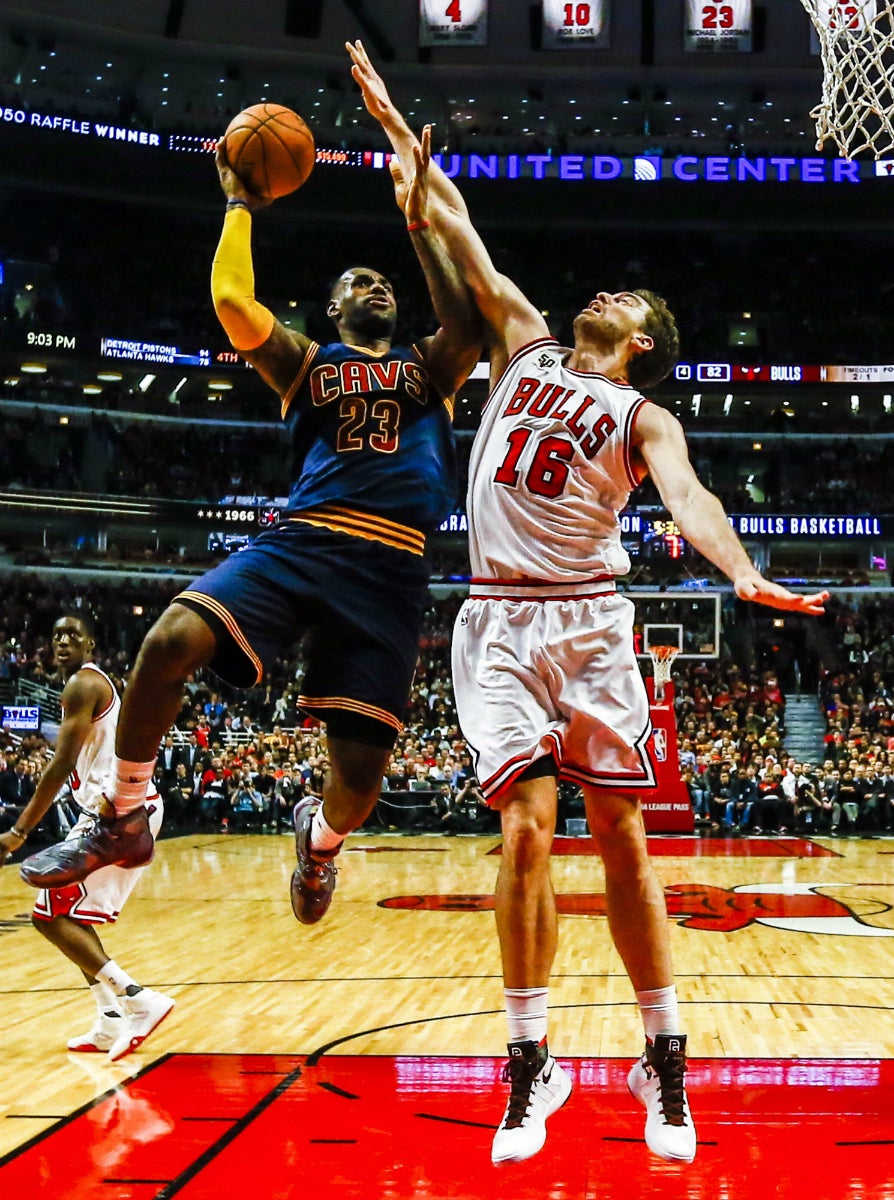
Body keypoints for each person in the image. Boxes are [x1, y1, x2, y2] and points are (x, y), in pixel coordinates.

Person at [348, 39, 829, 1169]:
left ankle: (664, 1058)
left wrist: (740, 571)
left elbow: (693, 499)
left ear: (641, 342)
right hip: (497, 618)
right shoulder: (525, 343)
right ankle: (533, 1063)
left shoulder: (641, 416)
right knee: (523, 827)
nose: (598, 293)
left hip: (590, 620)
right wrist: (393, 133)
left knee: (619, 835)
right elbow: (454, 223)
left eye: (622, 299)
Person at [18, 112, 480, 933]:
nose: (374, 287)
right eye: (357, 281)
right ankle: (124, 815)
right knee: (165, 642)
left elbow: (468, 325)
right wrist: (239, 202)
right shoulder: (307, 361)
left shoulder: (429, 367)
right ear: (331, 308)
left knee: (363, 783)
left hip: (389, 570)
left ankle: (322, 841)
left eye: (384, 282)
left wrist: (418, 219)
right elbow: (233, 300)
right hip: (303, 541)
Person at [0, 614, 172, 1061]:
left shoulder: (83, 684)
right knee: (66, 916)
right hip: (115, 811)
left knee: (49, 916)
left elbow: (59, 766)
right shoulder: (80, 687)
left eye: (72, 635)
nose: (62, 641)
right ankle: (108, 1019)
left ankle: (138, 1000)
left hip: (118, 815)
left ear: (90, 644)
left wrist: (19, 833)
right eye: (55, 634)